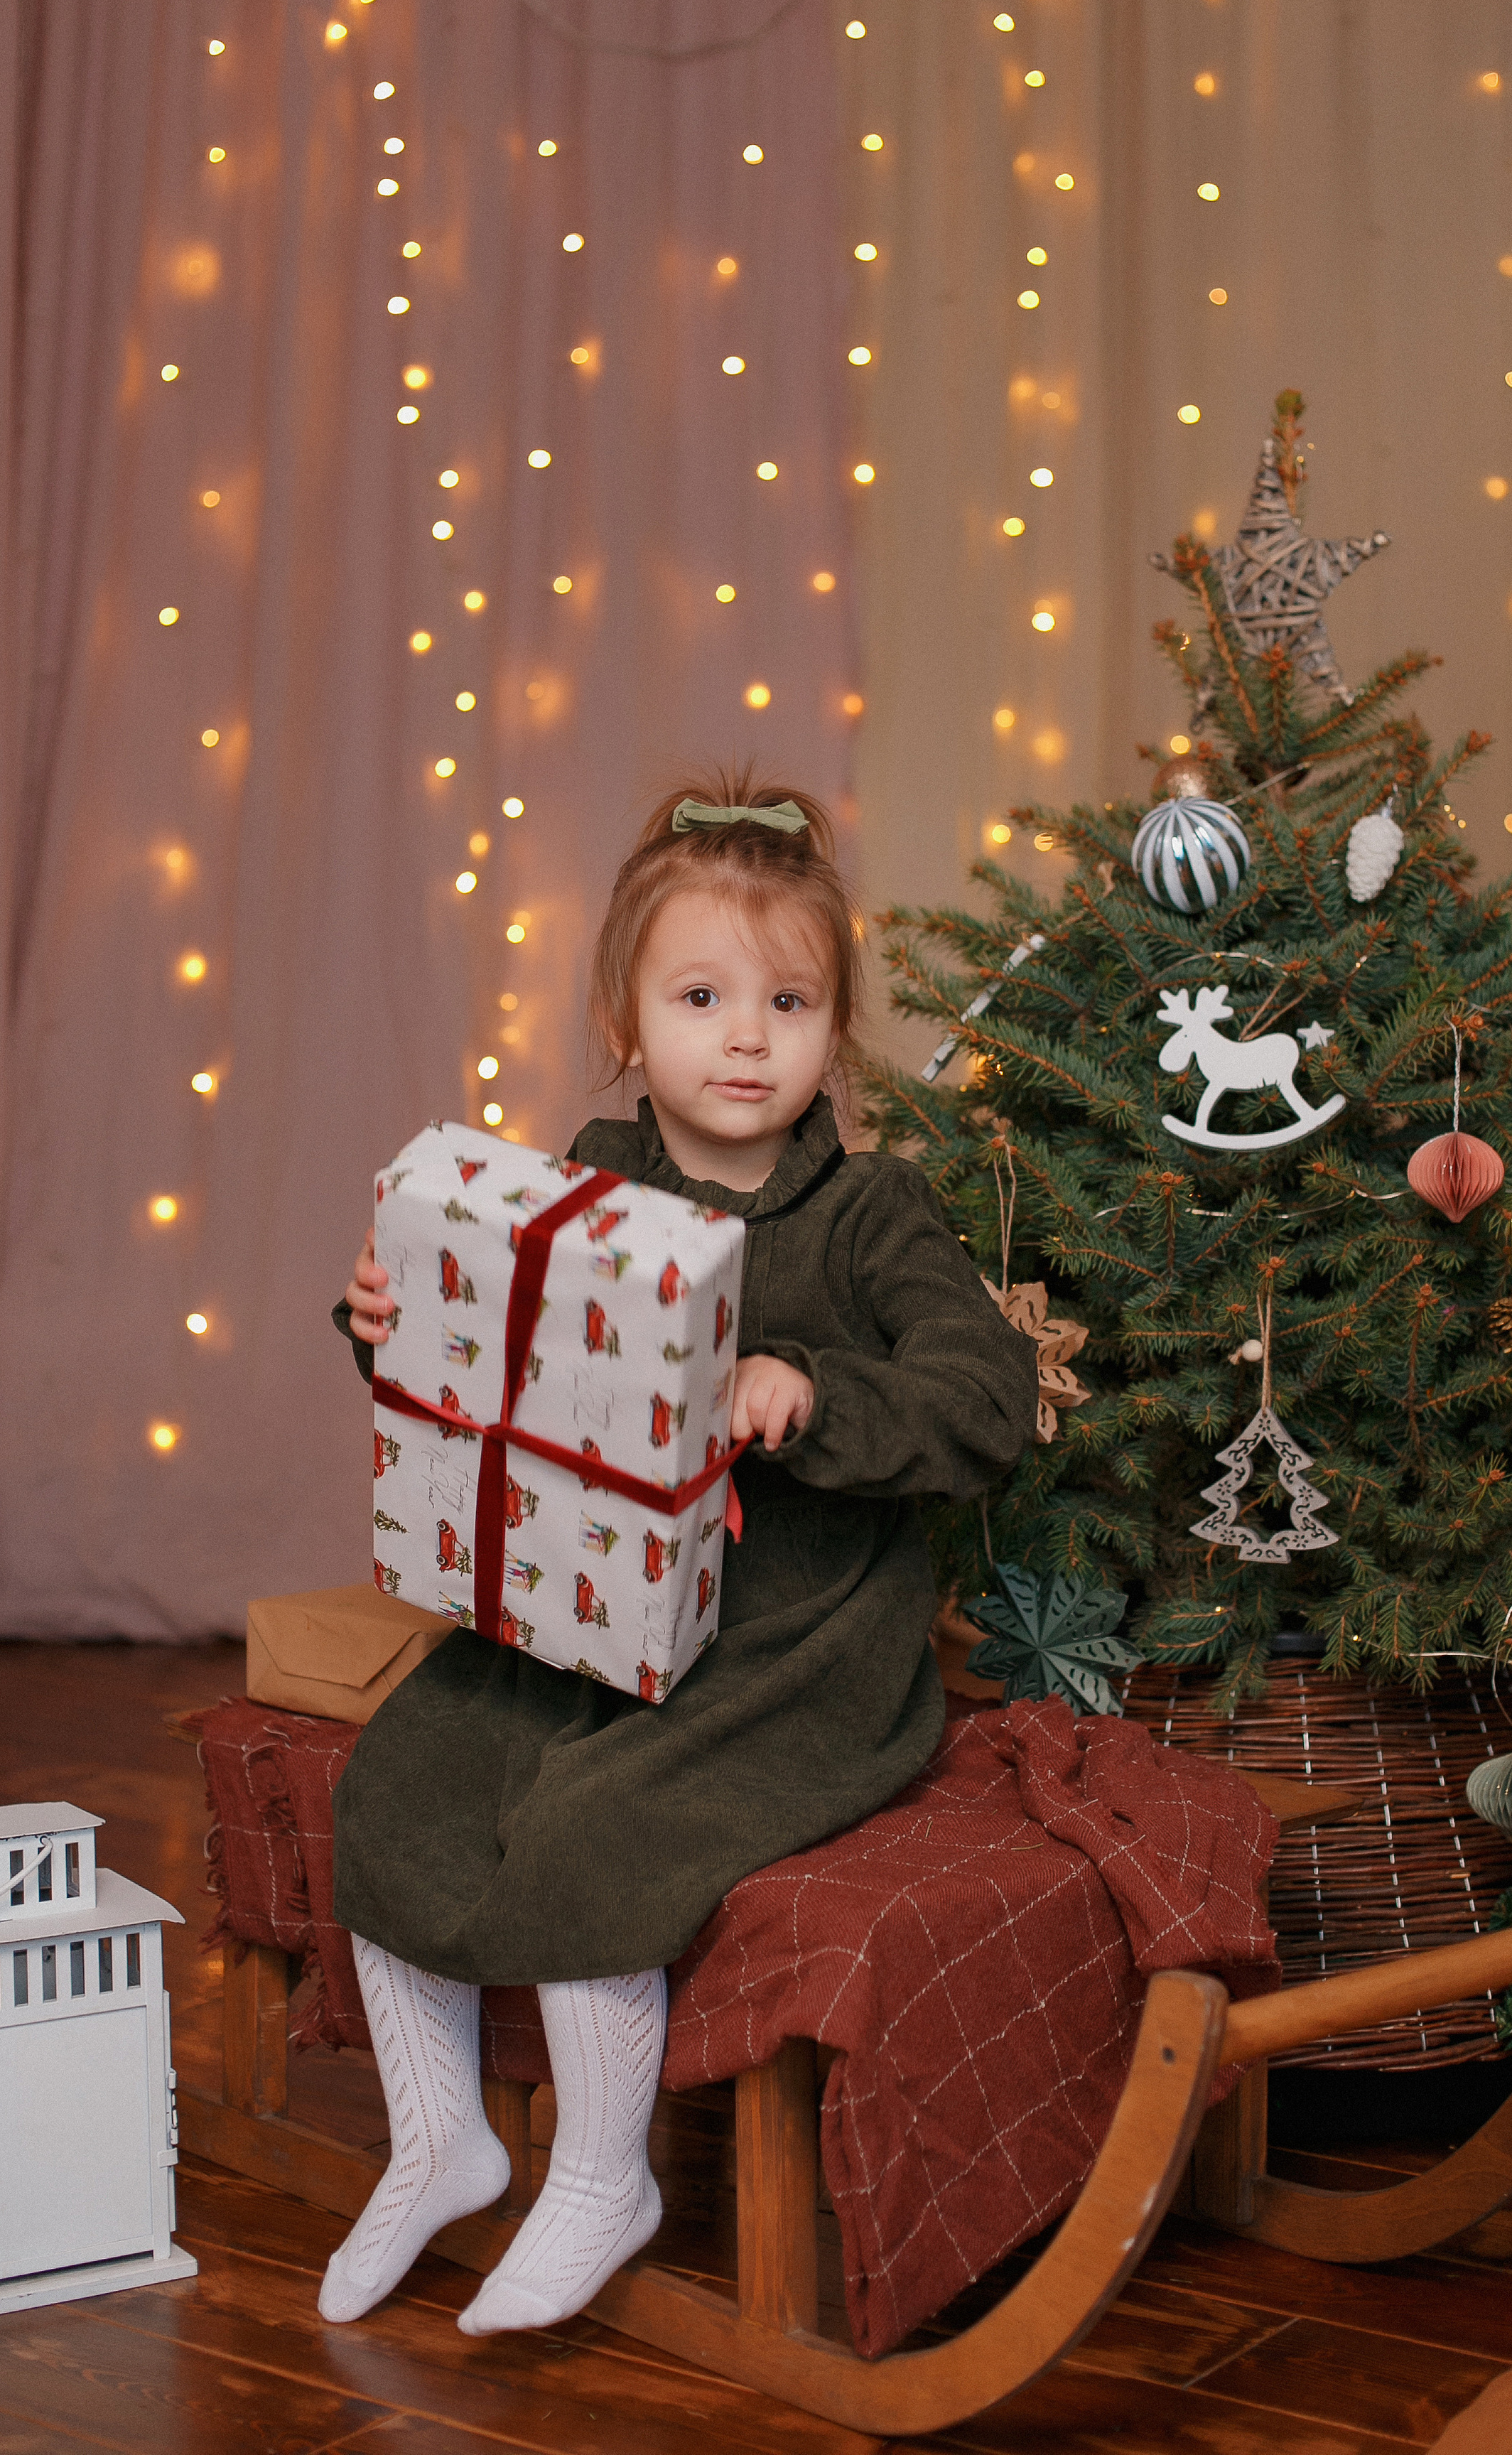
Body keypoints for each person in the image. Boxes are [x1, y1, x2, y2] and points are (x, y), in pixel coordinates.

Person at [321, 769, 1038, 2336]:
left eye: (786, 1002)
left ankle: (603, 2171)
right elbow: (488, 1363)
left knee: (597, 1828)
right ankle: (437, 2143)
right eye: (702, 997)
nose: (743, 1036)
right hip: (586, 1604)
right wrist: (389, 1326)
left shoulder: (870, 1217)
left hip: (793, 1635)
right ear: (627, 1020)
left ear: (830, 1030)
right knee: (404, 1777)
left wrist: (811, 1390)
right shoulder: (585, 1183)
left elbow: (986, 1402)